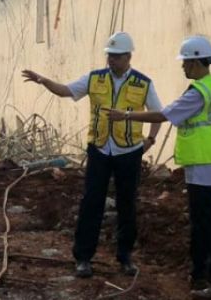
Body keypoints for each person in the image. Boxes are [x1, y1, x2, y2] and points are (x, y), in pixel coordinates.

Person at [21, 31, 162, 278]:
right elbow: (66, 91)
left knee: (127, 203)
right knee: (91, 202)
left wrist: (150, 140)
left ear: (129, 57)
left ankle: (125, 257)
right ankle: (83, 257)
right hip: (99, 148)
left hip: (128, 151)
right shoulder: (95, 79)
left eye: (117, 57)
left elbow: (157, 113)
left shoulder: (143, 83)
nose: (112, 61)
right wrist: (44, 80)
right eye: (110, 56)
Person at [106, 35, 211, 300]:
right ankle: (199, 273)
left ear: (197, 61)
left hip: (205, 163)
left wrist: (127, 115)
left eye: (186, 62)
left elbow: (164, 115)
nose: (183, 67)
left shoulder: (199, 92)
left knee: (209, 223)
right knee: (202, 222)